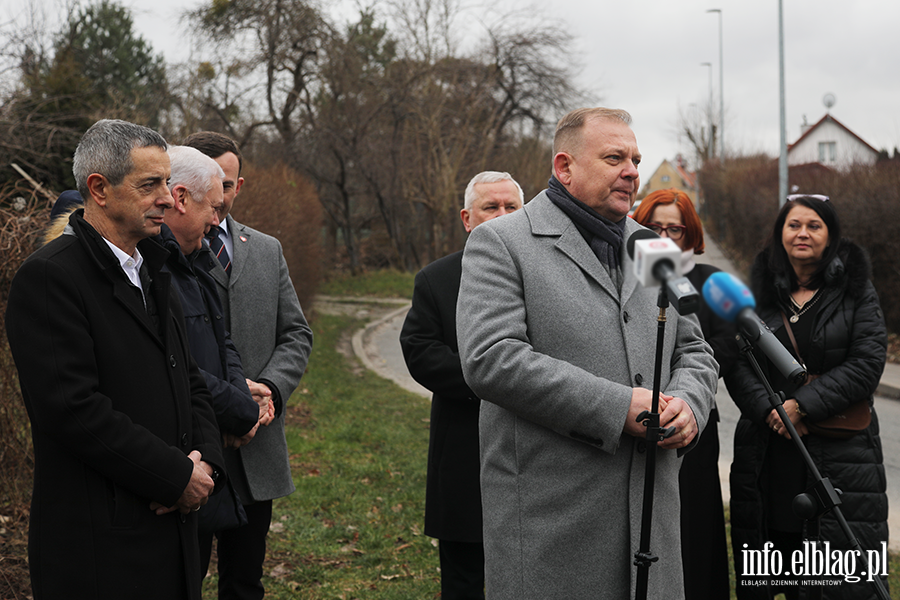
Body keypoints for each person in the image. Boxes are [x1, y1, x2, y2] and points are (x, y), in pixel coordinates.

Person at [455, 107, 718, 599]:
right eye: (615, 157)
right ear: (565, 167)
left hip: (652, 527)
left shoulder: (654, 249)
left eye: (636, 159)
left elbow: (696, 348)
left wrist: (690, 406)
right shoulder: (501, 242)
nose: (632, 171)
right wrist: (619, 408)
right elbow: (491, 357)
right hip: (552, 529)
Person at [5, 119, 225, 600]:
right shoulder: (49, 279)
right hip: (100, 550)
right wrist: (174, 477)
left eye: (167, 182)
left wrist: (205, 465)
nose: (168, 198)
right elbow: (73, 410)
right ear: (99, 189)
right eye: (151, 185)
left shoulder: (153, 268)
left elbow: (190, 381)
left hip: (173, 537)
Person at [725, 195, 888, 599]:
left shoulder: (856, 292)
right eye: (793, 224)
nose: (802, 233)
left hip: (840, 454)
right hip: (769, 455)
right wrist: (771, 411)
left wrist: (803, 406)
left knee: (833, 578)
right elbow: (737, 361)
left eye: (813, 225)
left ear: (830, 235)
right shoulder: (757, 296)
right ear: (780, 233)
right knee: (773, 565)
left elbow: (868, 362)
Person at [183, 131, 314, 600]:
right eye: (214, 182)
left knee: (245, 582)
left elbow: (297, 333)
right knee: (184, 579)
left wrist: (270, 393)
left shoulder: (266, 249)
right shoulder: (168, 251)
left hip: (259, 447)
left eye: (231, 183)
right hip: (193, 447)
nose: (222, 195)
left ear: (240, 185)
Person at [399, 171, 524, 600]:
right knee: (464, 578)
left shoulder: (547, 275)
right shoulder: (436, 279)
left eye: (512, 207)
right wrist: (496, 381)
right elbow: (420, 352)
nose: (502, 215)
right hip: (464, 450)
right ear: (467, 218)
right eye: (491, 207)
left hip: (537, 449)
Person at [158, 146, 271, 575]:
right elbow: (174, 364)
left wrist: (244, 389)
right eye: (214, 206)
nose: (217, 220)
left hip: (207, 447)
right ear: (184, 198)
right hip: (180, 458)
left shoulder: (192, 262)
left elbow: (223, 341)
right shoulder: (155, 268)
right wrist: (240, 408)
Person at [632, 189, 735, 599]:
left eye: (675, 227)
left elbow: (727, 343)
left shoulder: (710, 281)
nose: (665, 235)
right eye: (655, 226)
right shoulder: (630, 279)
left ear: (690, 233)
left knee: (692, 525)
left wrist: (684, 390)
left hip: (692, 420)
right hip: (639, 418)